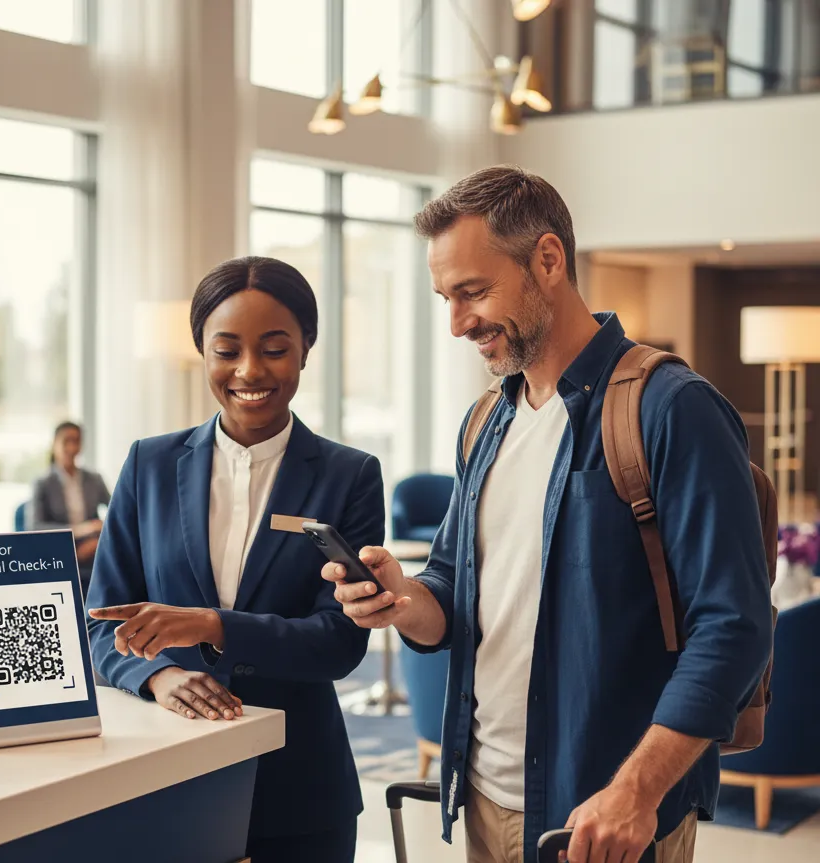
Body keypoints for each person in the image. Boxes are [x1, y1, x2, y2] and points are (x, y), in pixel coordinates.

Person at [323, 166, 773, 863]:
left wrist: (636, 793)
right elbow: (450, 588)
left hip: (605, 819)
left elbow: (735, 627)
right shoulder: (485, 422)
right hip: (484, 796)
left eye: (472, 292)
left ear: (548, 260)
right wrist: (403, 599)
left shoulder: (671, 407)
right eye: (446, 297)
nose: (456, 322)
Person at [85, 256, 384, 863]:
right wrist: (158, 677)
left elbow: (340, 642)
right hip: (166, 778)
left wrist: (212, 626)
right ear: (203, 352)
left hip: (301, 787)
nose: (250, 371)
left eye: (274, 348)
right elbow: (100, 624)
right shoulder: (148, 465)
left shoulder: (349, 475)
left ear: (306, 350)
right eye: (227, 350)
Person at [29, 421, 111, 587]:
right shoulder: (43, 483)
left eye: (77, 441)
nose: (72, 448)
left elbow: (117, 512)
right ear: (54, 444)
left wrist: (100, 538)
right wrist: (81, 530)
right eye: (66, 441)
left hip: (93, 546)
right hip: (59, 548)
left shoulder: (94, 479)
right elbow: (35, 527)